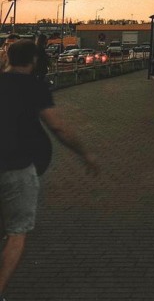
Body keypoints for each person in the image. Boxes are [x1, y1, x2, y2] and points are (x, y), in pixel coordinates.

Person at [0, 39, 99, 299]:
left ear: (7, 57)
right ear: (33, 61)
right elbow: (59, 128)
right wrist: (85, 153)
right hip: (18, 167)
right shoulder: (35, 86)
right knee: (17, 231)